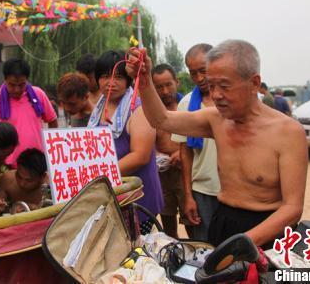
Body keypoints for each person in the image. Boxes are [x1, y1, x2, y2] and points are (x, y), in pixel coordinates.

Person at [126, 40, 308, 249]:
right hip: (223, 221)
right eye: (212, 86)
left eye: (224, 86)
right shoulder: (216, 119)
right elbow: (162, 120)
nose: (216, 95)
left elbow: (293, 208)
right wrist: (144, 80)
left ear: (255, 83)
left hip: (269, 230)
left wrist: (245, 242)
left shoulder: (288, 132)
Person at [88, 50, 163, 234]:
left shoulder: (138, 107)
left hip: (137, 198)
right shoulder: (99, 107)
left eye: (118, 77)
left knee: (136, 253)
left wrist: (98, 176)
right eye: (105, 76)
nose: (110, 83)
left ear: (129, 79)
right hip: (108, 195)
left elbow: (141, 156)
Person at [170, 44, 220, 241]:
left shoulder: (231, 101)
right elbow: (185, 153)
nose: (199, 78)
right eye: (193, 73)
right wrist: (188, 196)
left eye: (203, 71)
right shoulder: (187, 104)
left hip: (234, 189)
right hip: (202, 191)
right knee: (204, 247)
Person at [0, 58, 58, 168]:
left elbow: (52, 120)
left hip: (37, 164)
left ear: (27, 80)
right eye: (12, 84)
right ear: (5, 80)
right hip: (6, 167)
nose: (17, 89)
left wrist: (51, 149)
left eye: (21, 84)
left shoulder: (38, 95)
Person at [151, 63, 185, 238]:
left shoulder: (187, 107)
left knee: (191, 217)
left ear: (176, 82)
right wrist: (156, 156)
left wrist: (182, 153)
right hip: (162, 172)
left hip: (186, 171)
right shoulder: (151, 112)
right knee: (167, 219)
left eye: (168, 85)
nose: (165, 91)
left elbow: (200, 138)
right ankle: (174, 255)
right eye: (159, 87)